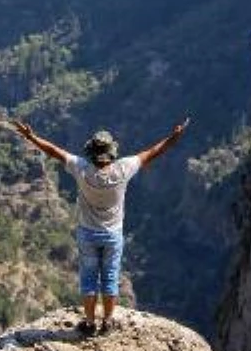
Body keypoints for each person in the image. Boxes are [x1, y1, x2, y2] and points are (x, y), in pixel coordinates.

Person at [11, 117, 190, 336]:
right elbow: (153, 152)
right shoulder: (123, 169)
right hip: (113, 235)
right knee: (110, 277)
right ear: (111, 152)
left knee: (88, 278)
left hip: (87, 233)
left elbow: (54, 151)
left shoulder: (81, 168)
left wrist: (31, 137)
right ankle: (107, 321)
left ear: (91, 152)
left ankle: (88, 322)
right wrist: (174, 138)